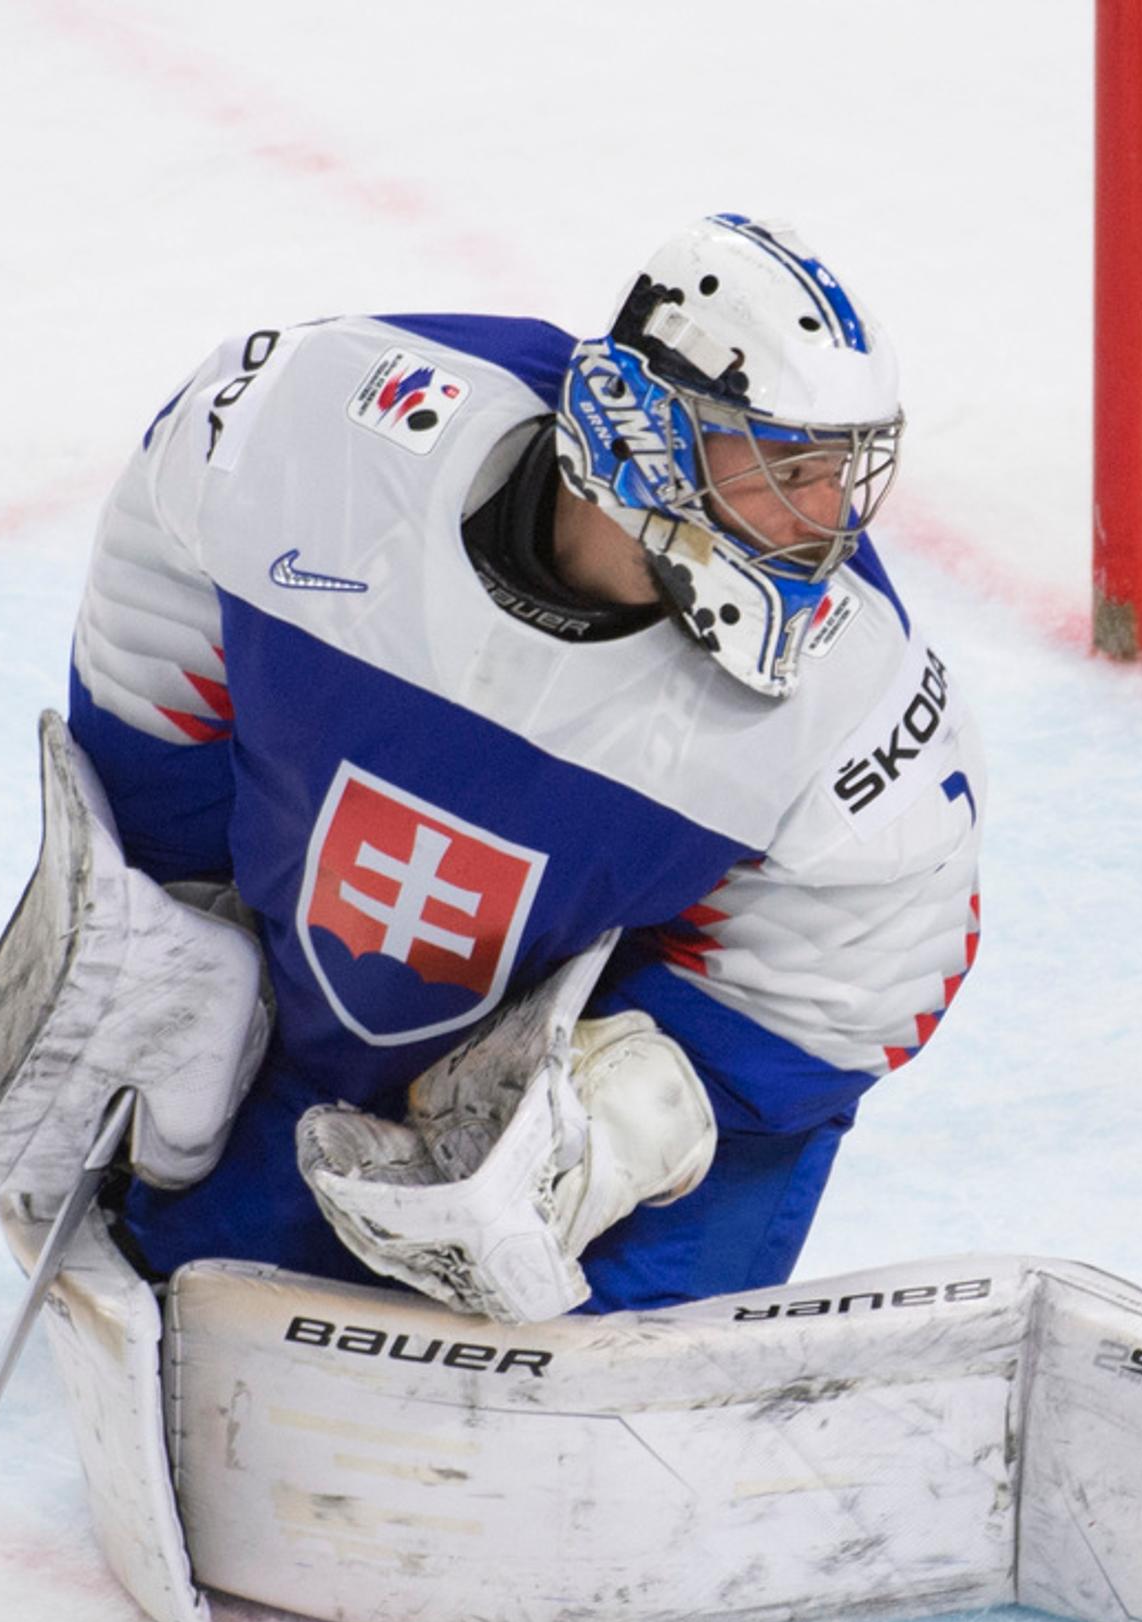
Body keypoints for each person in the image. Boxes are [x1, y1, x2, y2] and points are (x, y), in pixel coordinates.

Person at [55, 212, 982, 1319]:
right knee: (194, 1284)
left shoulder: (854, 690)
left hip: (601, 1087)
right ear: (643, 436)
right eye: (785, 468)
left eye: (839, 472)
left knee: (606, 1426)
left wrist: (628, 1117)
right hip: (304, 1017)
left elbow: (854, 977)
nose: (825, 522)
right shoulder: (322, 428)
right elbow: (164, 569)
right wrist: (179, 904)